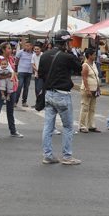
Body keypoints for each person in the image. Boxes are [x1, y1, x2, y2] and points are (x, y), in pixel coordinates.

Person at [38, 30, 83, 165]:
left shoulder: (44, 55)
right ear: (65, 43)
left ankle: (48, 155)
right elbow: (79, 68)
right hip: (62, 95)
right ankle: (67, 156)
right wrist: (70, 53)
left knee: (48, 126)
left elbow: (40, 74)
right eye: (69, 42)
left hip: (49, 94)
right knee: (68, 127)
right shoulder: (67, 56)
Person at [0, 43, 23, 140]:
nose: (10, 50)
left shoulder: (11, 59)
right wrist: (8, 76)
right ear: (3, 50)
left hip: (11, 87)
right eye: (8, 48)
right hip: (1, 87)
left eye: (11, 48)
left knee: (10, 110)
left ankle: (13, 130)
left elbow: (14, 72)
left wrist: (14, 79)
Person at [79, 48, 101, 133]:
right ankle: (82, 126)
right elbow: (84, 78)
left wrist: (98, 87)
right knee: (85, 108)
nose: (95, 56)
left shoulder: (94, 64)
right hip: (87, 89)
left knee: (92, 108)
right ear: (89, 55)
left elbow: (96, 76)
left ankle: (91, 125)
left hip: (94, 89)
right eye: (94, 54)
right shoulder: (85, 65)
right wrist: (87, 89)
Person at [14, 40, 34, 107]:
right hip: (21, 71)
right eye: (25, 45)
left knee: (26, 88)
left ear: (31, 46)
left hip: (29, 72)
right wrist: (16, 70)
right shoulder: (20, 52)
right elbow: (16, 61)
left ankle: (24, 102)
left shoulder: (33, 53)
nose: (26, 47)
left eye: (28, 46)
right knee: (19, 87)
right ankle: (15, 101)